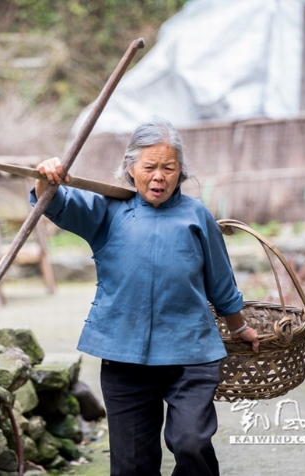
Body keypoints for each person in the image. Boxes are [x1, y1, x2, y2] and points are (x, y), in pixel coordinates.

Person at [30, 117, 259, 476]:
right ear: (130, 169)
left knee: (192, 442)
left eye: (169, 168)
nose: (159, 177)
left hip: (190, 353)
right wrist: (47, 175)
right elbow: (53, 201)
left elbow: (221, 281)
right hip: (124, 355)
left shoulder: (197, 216)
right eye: (149, 167)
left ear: (180, 172)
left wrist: (239, 326)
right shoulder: (107, 211)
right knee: (132, 464)